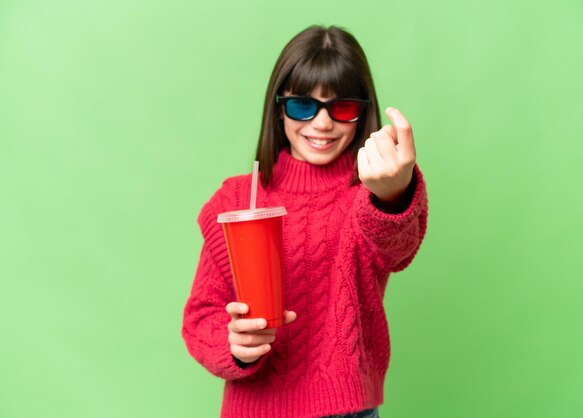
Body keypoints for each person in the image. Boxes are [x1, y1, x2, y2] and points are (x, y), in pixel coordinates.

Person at [182, 25, 428, 418]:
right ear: (278, 108)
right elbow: (201, 316)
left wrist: (395, 192)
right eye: (302, 106)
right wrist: (233, 345)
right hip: (255, 409)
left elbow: (397, 249)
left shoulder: (369, 194)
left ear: (363, 112)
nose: (322, 124)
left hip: (348, 409)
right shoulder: (234, 200)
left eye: (342, 108)